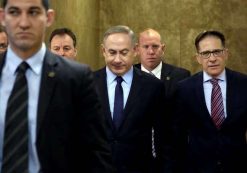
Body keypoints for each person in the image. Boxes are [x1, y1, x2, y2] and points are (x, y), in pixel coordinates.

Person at [0, 0, 114, 173]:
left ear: (48, 17)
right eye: (14, 12)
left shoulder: (76, 78)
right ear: (2, 17)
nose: (23, 23)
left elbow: (96, 155)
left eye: (33, 12)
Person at [94, 25, 171, 173]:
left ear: (135, 50)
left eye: (123, 52)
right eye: (112, 52)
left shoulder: (153, 86)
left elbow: (164, 137)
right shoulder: (89, 84)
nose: (117, 59)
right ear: (103, 51)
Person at [171, 30, 247, 173]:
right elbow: (177, 136)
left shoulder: (243, 84)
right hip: (197, 167)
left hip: (238, 166)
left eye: (217, 52)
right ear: (198, 58)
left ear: (226, 54)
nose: (212, 59)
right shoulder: (184, 89)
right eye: (206, 53)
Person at [135, 28, 190, 99]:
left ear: (162, 49)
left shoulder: (181, 76)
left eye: (155, 46)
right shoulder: (128, 74)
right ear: (137, 49)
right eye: (146, 47)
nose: (151, 52)